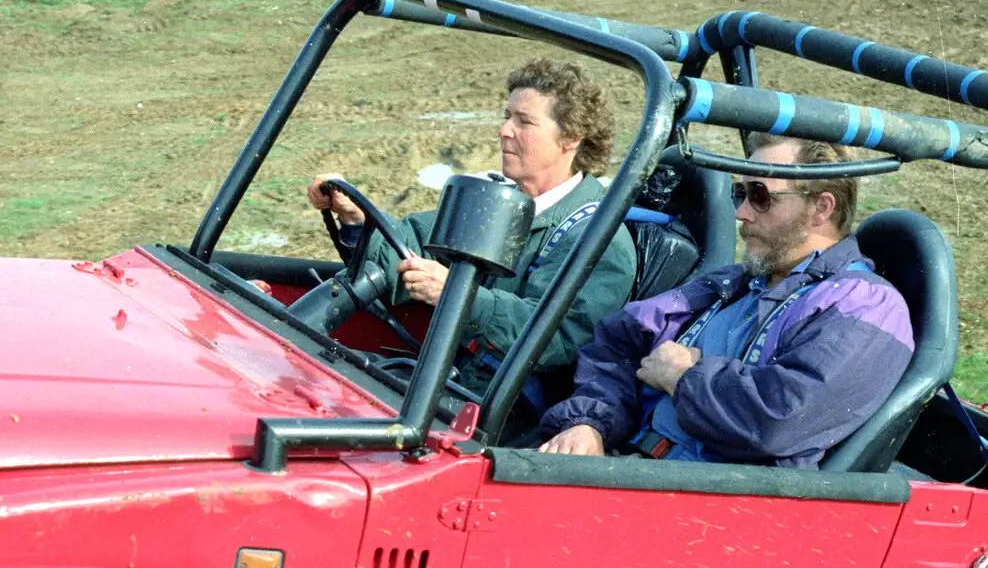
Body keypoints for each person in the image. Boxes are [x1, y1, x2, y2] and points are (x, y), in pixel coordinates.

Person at [538, 134, 913, 468]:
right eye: (741, 193)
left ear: (821, 208)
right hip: (633, 467)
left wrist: (684, 377)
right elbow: (620, 341)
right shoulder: (735, 282)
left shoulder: (867, 305)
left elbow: (778, 419)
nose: (741, 213)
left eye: (760, 196)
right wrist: (590, 423)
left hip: (716, 506)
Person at [305, 58, 637, 398]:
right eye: (507, 116)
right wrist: (357, 218)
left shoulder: (601, 240)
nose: (504, 130)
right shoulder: (498, 201)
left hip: (507, 412)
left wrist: (457, 295)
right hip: (448, 379)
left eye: (524, 122)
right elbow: (412, 245)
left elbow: (557, 340)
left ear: (570, 138)